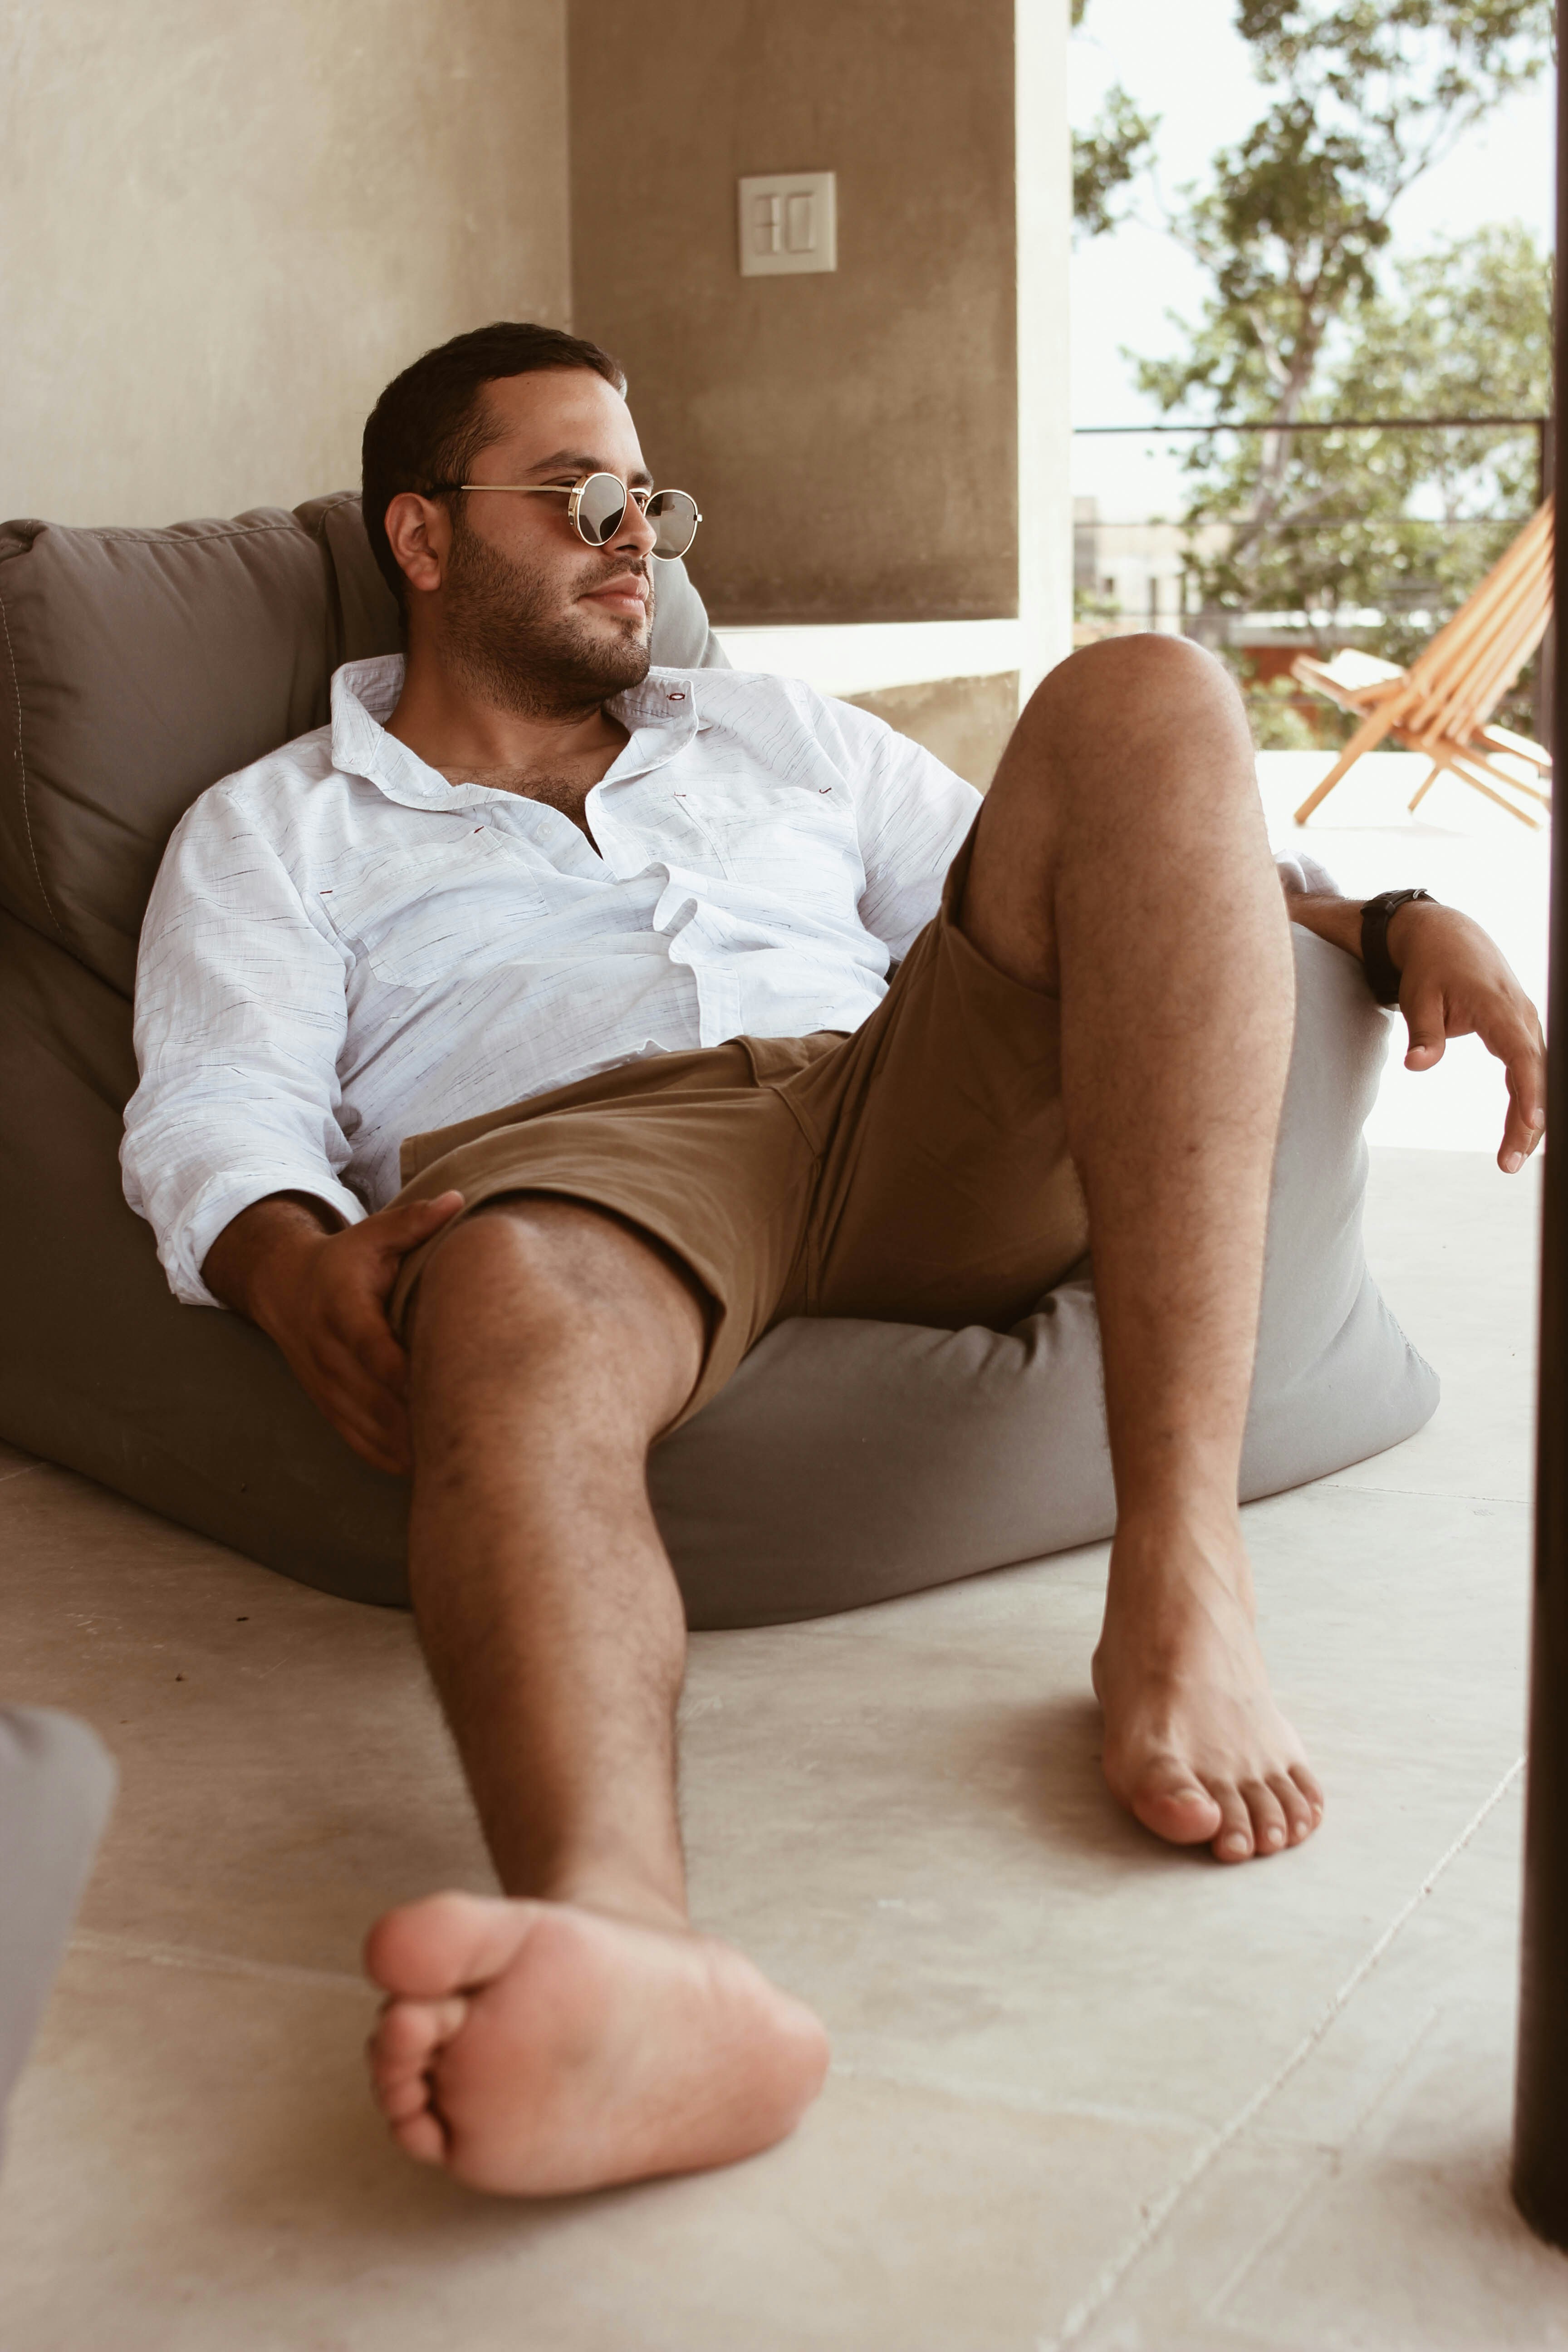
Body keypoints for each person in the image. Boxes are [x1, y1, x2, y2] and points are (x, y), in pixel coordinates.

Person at [121, 323, 1546, 2199]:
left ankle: (1179, 1583)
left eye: (653, 503)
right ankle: (625, 1956)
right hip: (589, 1166)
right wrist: (283, 1256)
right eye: (581, 500)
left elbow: (1123, 873)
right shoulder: (277, 824)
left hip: (889, 1094)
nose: (641, 541)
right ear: (423, 536)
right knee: (500, 1294)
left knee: (1149, 694)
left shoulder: (769, 731)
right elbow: (215, 1102)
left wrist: (1387, 912)